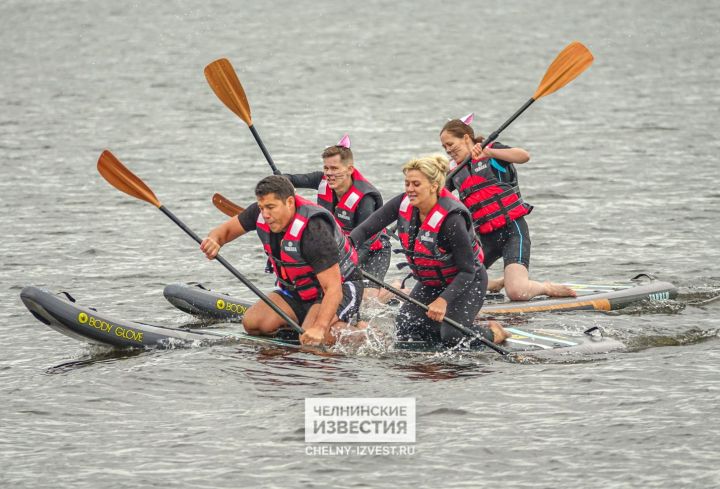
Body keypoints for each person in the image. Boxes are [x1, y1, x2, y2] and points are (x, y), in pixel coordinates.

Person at [350, 155, 509, 347]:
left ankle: (493, 333)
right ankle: (442, 329)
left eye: (416, 184)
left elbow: (468, 270)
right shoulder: (402, 203)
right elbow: (366, 230)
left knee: (453, 337)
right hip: (431, 282)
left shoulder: (452, 219)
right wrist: (346, 248)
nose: (409, 189)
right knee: (406, 329)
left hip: (467, 282)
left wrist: (443, 301)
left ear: (434, 186)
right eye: (407, 183)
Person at [200, 175, 364, 347]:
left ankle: (363, 335)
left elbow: (333, 288)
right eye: (262, 208)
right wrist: (214, 241)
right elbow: (224, 232)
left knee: (311, 340)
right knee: (253, 323)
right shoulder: (260, 213)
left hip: (341, 288)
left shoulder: (314, 230)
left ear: (290, 202)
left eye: (271, 207)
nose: (265, 215)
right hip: (299, 291)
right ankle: (305, 323)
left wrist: (319, 327)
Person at [440, 117, 576, 301]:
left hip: (512, 231)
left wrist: (490, 152)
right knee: (449, 284)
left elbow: (523, 156)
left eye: (450, 144)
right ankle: (494, 283)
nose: (448, 150)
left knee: (517, 293)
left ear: (465, 138)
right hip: (484, 238)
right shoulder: (455, 172)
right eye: (444, 147)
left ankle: (545, 287)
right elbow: (434, 197)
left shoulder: (493, 152)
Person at [283, 134, 391, 299]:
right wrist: (279, 183)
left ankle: (392, 292)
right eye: (326, 168)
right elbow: (291, 179)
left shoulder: (365, 199)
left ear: (349, 169)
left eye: (334, 169)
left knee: (367, 301)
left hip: (372, 252)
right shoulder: (321, 180)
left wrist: (341, 266)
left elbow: (365, 243)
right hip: (341, 248)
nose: (329, 174)